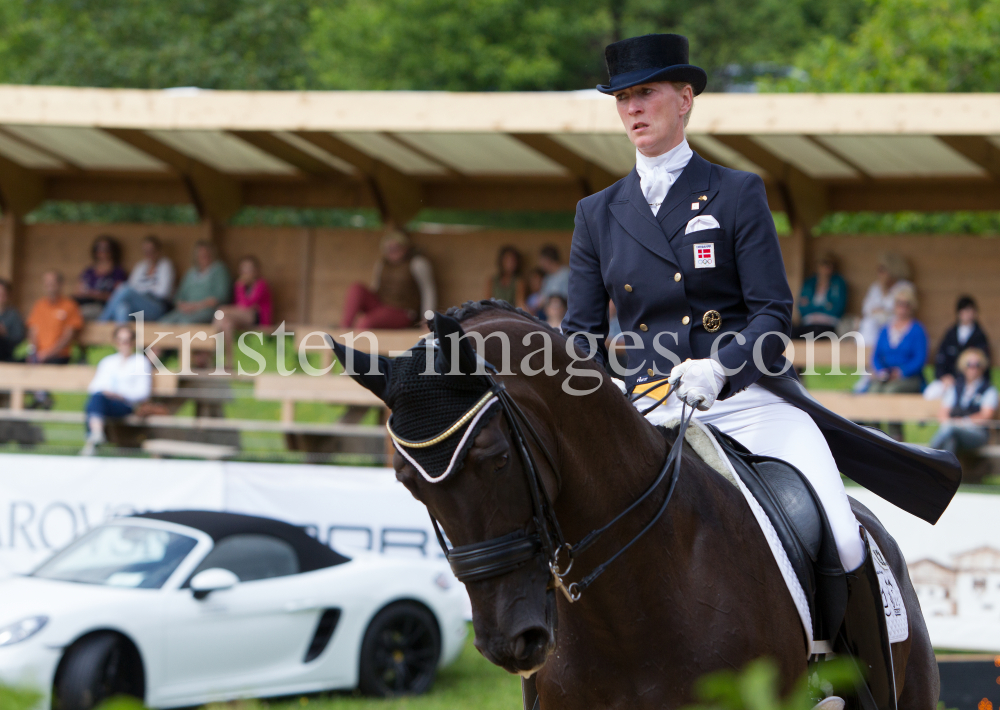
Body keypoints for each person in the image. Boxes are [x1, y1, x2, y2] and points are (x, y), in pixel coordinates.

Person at [560, 34, 959, 703]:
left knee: (840, 528)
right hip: (648, 404)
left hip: (744, 398)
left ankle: (861, 684)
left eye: (646, 93)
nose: (633, 109)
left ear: (684, 100)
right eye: (623, 98)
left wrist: (718, 368)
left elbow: (773, 312)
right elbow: (580, 336)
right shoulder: (596, 214)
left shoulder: (735, 193)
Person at [341, 229, 436, 329]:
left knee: (365, 323)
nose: (393, 251)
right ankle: (343, 330)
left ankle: (355, 342)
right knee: (356, 288)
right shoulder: (382, 264)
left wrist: (427, 319)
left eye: (396, 247)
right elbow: (376, 287)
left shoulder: (417, 263)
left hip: (403, 310)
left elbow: (428, 291)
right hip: (382, 306)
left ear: (405, 247)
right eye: (389, 248)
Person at [80, 325, 152, 456]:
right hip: (105, 403)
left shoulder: (141, 362)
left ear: (133, 342)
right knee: (97, 398)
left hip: (127, 405)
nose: (124, 344)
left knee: (94, 403)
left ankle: (93, 437)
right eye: (120, 340)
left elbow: (143, 392)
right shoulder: (107, 362)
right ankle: (96, 434)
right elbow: (94, 387)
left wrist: (119, 395)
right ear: (115, 342)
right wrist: (108, 393)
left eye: (127, 340)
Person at [929, 348, 997, 455]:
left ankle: (929, 453)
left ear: (982, 367)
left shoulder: (989, 390)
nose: (973, 368)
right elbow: (943, 412)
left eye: (977, 365)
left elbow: (986, 415)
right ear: (963, 366)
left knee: (951, 430)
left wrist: (961, 423)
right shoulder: (955, 387)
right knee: (951, 439)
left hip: (978, 434)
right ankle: (947, 470)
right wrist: (950, 423)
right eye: (969, 364)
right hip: (953, 432)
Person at [868, 285, 928, 395]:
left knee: (890, 391)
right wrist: (881, 371)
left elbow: (919, 359)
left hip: (909, 377)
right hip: (886, 375)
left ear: (912, 306)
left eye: (906, 305)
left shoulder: (917, 330)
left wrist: (902, 372)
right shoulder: (885, 329)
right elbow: (876, 356)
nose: (902, 308)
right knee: (874, 390)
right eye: (899, 304)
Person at [99, 235, 175, 323]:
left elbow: (162, 292)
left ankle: (101, 322)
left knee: (124, 289)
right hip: (139, 308)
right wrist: (144, 291)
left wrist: (139, 292)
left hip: (157, 307)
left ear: (158, 250)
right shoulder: (140, 266)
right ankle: (123, 335)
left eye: (151, 250)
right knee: (122, 307)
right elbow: (132, 286)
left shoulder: (166, 265)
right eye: (146, 250)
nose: (149, 253)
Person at [928, 295, 991, 397]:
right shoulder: (950, 334)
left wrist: (961, 380)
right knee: (931, 393)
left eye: (970, 310)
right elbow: (940, 358)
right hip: (948, 380)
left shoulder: (980, 336)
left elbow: (982, 364)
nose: (967, 314)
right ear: (959, 313)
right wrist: (943, 376)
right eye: (964, 310)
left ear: (975, 313)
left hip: (970, 381)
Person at [217, 256, 273, 369]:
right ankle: (228, 362)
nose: (247, 272)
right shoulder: (243, 286)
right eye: (244, 269)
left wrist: (239, 286)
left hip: (259, 319)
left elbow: (245, 305)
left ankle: (210, 354)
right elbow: (238, 305)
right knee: (226, 323)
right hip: (243, 318)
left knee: (221, 312)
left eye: (250, 269)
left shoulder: (261, 284)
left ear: (257, 271)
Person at [160, 241, 231, 324]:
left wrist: (196, 306)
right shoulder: (190, 273)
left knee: (185, 323)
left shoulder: (219, 270)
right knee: (163, 323)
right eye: (201, 254)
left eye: (206, 253)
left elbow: (220, 297)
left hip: (208, 310)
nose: (204, 256)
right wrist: (183, 306)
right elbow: (179, 297)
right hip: (186, 310)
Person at [858, 252, 913, 352]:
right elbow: (866, 309)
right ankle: (866, 360)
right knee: (867, 324)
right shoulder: (875, 287)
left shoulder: (904, 286)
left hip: (896, 326)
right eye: (879, 269)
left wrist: (881, 310)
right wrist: (883, 290)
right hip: (874, 327)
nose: (879, 273)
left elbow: (897, 310)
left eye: (883, 269)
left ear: (893, 269)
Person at [27, 271, 83, 365]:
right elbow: (33, 331)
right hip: (38, 355)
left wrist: (46, 354)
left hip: (59, 355)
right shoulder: (39, 305)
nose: (49, 286)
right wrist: (34, 353)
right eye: (46, 283)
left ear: (60, 284)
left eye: (52, 283)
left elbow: (67, 337)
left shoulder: (70, 306)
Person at [792, 252, 847, 338]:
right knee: (791, 330)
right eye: (823, 264)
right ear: (817, 266)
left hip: (828, 323)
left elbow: (838, 309)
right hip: (808, 322)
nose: (825, 268)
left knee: (815, 332)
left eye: (829, 265)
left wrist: (813, 309)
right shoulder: (809, 283)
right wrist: (825, 307)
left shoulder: (839, 283)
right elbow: (801, 307)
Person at [74, 235, 128, 320]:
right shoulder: (89, 271)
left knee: (78, 314)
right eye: (98, 249)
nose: (102, 252)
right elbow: (79, 292)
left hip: (104, 307)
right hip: (85, 304)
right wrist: (92, 294)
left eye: (106, 249)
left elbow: (118, 296)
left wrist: (95, 294)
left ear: (113, 251)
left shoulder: (118, 272)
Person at [0, 280, 26, 362]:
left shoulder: (13, 315)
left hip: (7, 350)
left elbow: (19, 338)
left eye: (3, 294)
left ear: (7, 296)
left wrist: (5, 333)